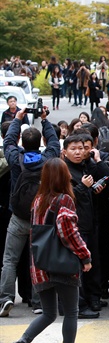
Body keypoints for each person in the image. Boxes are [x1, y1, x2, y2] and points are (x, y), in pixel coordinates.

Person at [5, 158, 92, 343]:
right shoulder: (64, 200)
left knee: (48, 313)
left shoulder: (38, 200)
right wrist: (85, 256)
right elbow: (68, 233)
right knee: (71, 311)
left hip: (41, 264)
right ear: (64, 177)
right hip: (63, 264)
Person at [0, 108, 59, 317]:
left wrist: (16, 119)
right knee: (38, 259)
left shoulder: (16, 159)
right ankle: (38, 301)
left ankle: (5, 299)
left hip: (18, 217)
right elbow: (54, 142)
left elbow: (7, 141)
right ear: (39, 142)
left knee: (9, 259)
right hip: (41, 217)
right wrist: (45, 120)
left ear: (22, 143)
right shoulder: (48, 160)